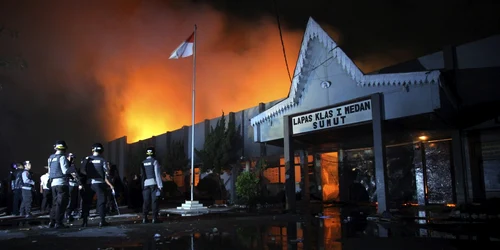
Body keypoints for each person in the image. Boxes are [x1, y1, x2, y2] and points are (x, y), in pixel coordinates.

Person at [79, 143, 114, 228]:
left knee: (86, 202)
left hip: (89, 183)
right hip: (100, 183)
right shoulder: (102, 160)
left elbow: (82, 171)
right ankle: (102, 221)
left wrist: (89, 175)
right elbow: (107, 172)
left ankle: (84, 222)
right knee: (101, 201)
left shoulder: (87, 159)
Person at [47, 140, 70, 229]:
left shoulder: (50, 158)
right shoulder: (62, 157)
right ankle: (59, 223)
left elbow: (49, 171)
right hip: (62, 183)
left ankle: (51, 222)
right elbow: (65, 171)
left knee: (55, 203)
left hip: (53, 183)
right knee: (61, 203)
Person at [140, 146, 163, 224]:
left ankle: (144, 218)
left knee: (146, 201)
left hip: (145, 184)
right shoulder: (155, 161)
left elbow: (142, 175)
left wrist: (142, 185)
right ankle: (154, 218)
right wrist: (160, 186)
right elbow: (157, 174)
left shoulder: (143, 162)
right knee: (154, 201)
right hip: (153, 184)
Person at [65, 153, 79, 222]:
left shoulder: (71, 165)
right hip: (70, 184)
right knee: (70, 200)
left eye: (73, 158)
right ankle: (68, 214)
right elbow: (74, 175)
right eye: (71, 157)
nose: (72, 159)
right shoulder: (68, 165)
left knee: (73, 200)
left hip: (73, 184)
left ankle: (70, 213)